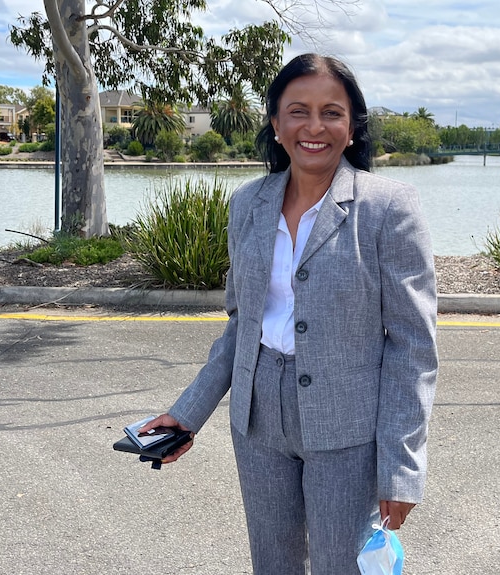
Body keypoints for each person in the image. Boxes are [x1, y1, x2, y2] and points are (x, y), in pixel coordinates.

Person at [139, 53, 438, 574]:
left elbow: (412, 346)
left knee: (340, 566)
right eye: (298, 111)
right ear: (276, 124)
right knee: (272, 564)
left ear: (351, 127)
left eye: (332, 112)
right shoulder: (247, 204)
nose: (314, 127)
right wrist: (187, 415)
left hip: (347, 427)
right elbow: (243, 325)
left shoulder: (390, 207)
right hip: (258, 422)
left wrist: (401, 468)